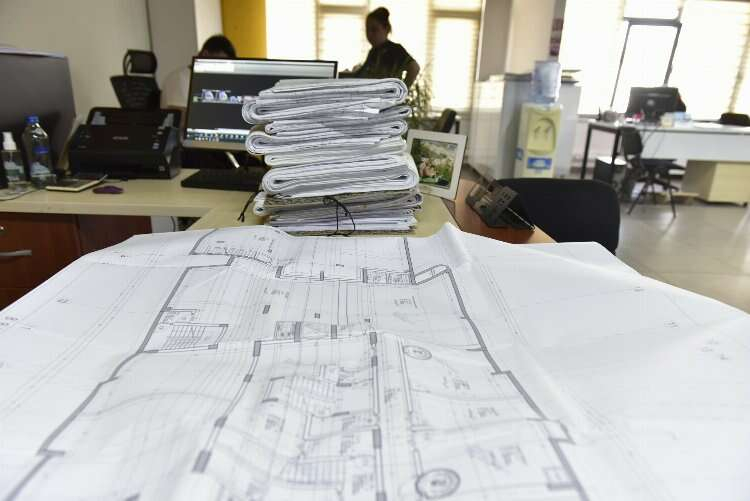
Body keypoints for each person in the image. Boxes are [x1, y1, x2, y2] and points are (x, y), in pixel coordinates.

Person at [161, 35, 236, 110]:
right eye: (220, 63)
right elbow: (181, 114)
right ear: (205, 54)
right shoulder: (179, 78)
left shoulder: (209, 81)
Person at [352, 7, 420, 87]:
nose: (369, 34)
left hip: (387, 94)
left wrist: (403, 90)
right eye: (367, 29)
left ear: (386, 29)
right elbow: (360, 74)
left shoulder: (395, 49)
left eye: (374, 29)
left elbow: (414, 67)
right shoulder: (374, 51)